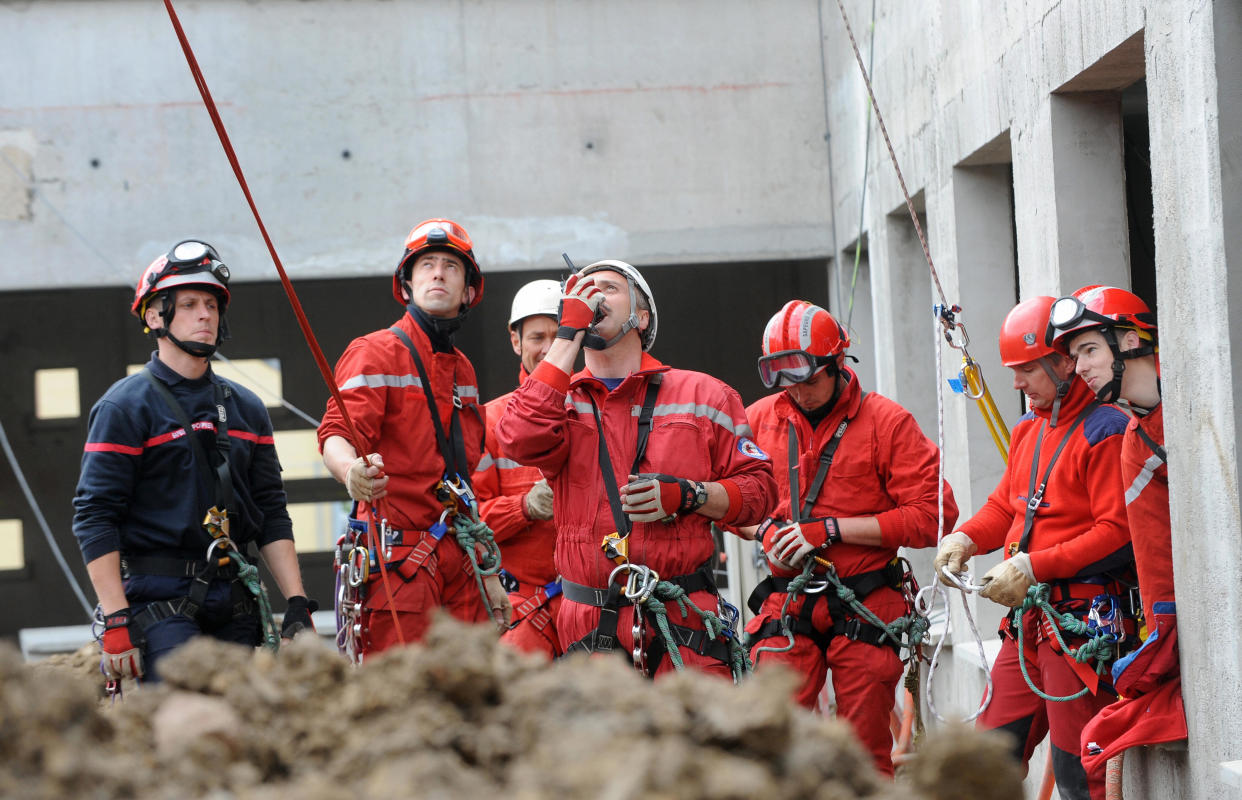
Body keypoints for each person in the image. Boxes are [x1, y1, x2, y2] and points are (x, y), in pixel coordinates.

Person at [494, 260, 776, 679]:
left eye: (608, 288)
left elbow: (759, 494)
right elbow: (518, 436)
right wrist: (567, 335)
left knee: (695, 743)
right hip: (588, 623)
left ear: (641, 318)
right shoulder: (559, 401)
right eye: (583, 291)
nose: (593, 296)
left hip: (682, 616)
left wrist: (690, 496)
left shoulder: (704, 394)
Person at [72, 239, 315, 684]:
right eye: (187, 304)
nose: (205, 314)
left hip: (235, 595)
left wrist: (296, 601)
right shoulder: (125, 408)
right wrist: (116, 619)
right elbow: (94, 515)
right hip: (157, 598)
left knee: (243, 725)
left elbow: (270, 511)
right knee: (186, 722)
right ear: (153, 315)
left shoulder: (247, 409)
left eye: (210, 304)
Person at [742, 299, 958, 776]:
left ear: (838, 363)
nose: (797, 394)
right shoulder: (759, 419)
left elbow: (933, 518)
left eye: (808, 380)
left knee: (863, 756)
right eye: (785, 383)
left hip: (864, 601)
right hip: (787, 602)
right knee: (773, 746)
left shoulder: (886, 423)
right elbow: (724, 503)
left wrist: (831, 531)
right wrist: (765, 528)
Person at [934, 295, 1136, 800]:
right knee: (986, 760)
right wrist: (965, 538)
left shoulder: (1105, 430)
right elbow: (1006, 507)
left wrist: (1032, 564)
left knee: (1076, 775)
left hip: (1080, 627)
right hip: (1029, 623)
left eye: (1027, 370)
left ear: (1063, 362)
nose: (1018, 384)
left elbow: (1118, 532)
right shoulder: (1029, 428)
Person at [318, 219, 511, 656]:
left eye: (450, 266)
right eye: (426, 265)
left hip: (458, 563)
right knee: (403, 706)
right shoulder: (375, 351)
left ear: (468, 291)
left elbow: (463, 482)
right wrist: (351, 472)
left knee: (473, 696)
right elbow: (336, 434)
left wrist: (489, 572)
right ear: (406, 286)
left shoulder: (462, 369)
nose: (438, 273)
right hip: (400, 567)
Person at [1044, 285, 1186, 779]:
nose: (1079, 367)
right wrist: (1162, 634)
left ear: (1129, 342)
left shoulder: (1205, 393)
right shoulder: (1134, 439)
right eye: (1075, 355)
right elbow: (1153, 555)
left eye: (1088, 349)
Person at [472, 279, 564, 657]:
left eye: (558, 338)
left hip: (597, 607)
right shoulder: (487, 422)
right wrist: (524, 507)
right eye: (536, 337)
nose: (547, 349)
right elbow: (468, 525)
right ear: (516, 342)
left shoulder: (603, 416)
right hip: (523, 612)